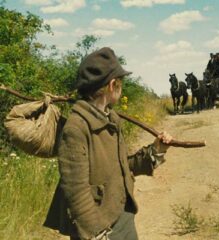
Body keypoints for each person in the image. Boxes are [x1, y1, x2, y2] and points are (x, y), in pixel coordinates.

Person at [43, 47, 173, 240]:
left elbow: (121, 167)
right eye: (121, 82)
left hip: (123, 216)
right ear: (113, 85)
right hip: (101, 228)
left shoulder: (111, 118)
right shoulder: (76, 128)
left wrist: (155, 151)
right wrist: (96, 233)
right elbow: (75, 191)